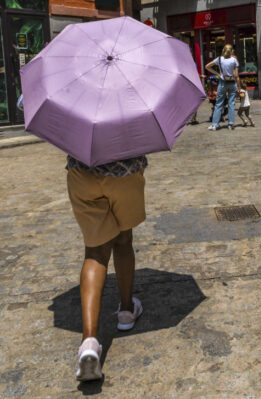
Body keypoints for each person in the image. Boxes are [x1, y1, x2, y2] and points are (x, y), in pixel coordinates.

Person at [66, 155, 147, 381]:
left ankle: (89, 342)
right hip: (125, 172)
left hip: (83, 174)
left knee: (95, 253)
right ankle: (126, 311)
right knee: (123, 241)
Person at [206, 44, 239, 131]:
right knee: (231, 103)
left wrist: (217, 74)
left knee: (219, 103)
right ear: (231, 51)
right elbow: (236, 75)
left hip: (222, 82)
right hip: (232, 83)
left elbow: (207, 66)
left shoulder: (219, 59)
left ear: (223, 51)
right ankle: (231, 124)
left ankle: (215, 124)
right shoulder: (234, 60)